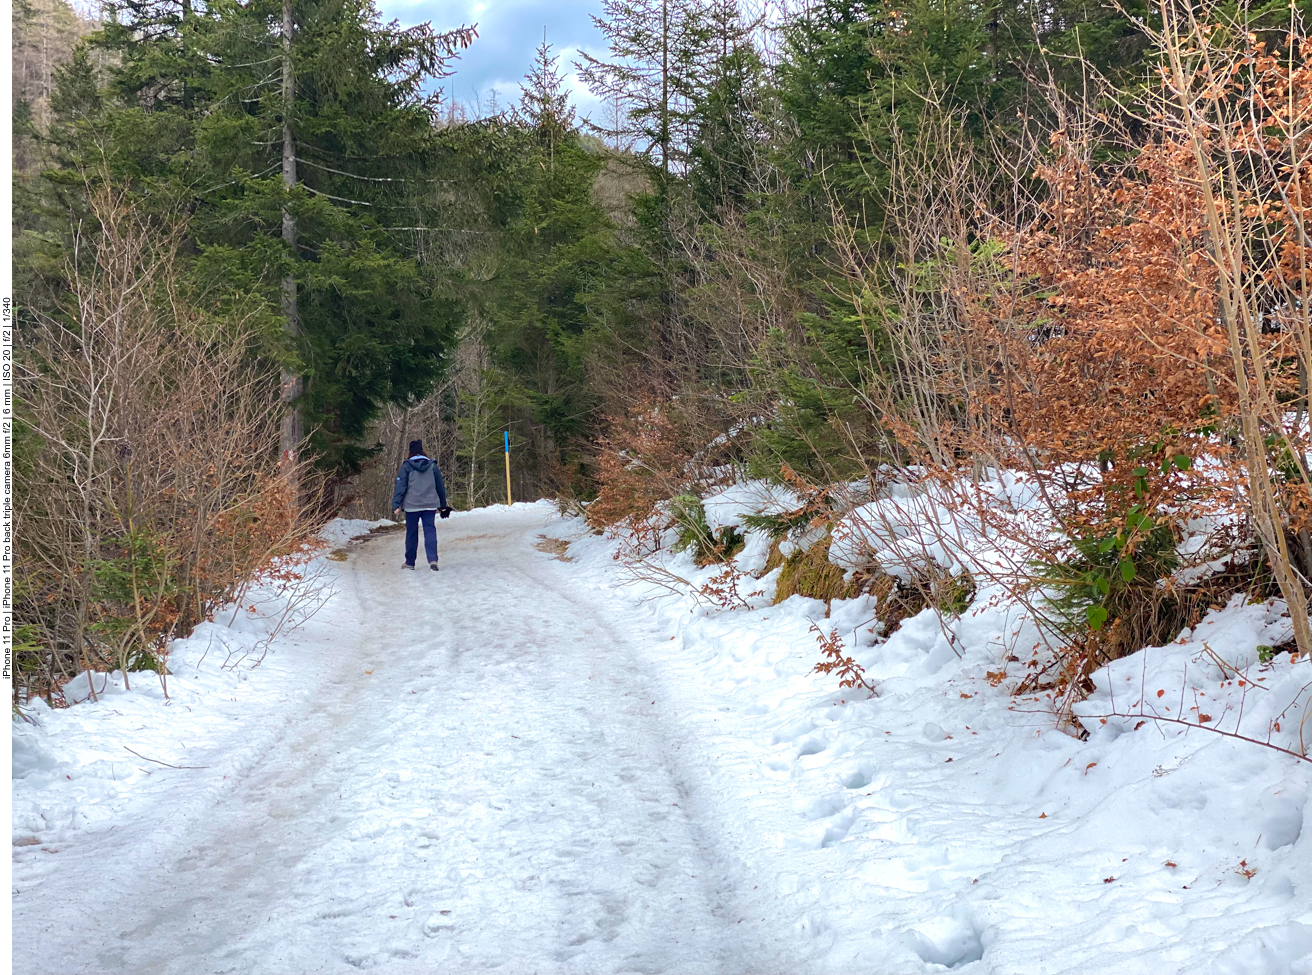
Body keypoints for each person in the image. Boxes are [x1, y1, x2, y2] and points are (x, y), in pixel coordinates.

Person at [391, 440, 451, 571]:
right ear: (422, 451)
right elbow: (440, 487)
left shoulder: (406, 467)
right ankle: (433, 560)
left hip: (412, 505)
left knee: (412, 533)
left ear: (410, 452)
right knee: (430, 530)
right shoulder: (432, 466)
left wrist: (396, 504)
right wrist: (442, 505)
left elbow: (401, 487)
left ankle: (410, 563)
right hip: (429, 505)